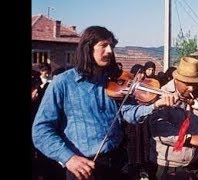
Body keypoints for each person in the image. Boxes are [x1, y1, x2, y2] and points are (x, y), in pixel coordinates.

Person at [32, 26, 177, 180]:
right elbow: (40, 131)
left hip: (118, 162)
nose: (109, 51)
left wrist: (155, 105)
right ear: (88, 49)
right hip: (84, 167)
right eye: (103, 45)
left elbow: (128, 113)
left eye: (111, 46)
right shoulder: (62, 83)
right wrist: (68, 158)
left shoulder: (113, 81)